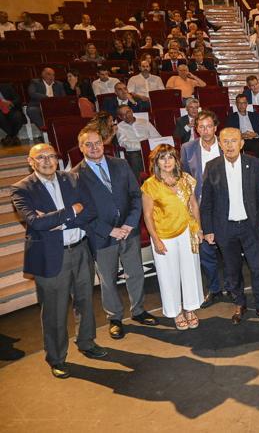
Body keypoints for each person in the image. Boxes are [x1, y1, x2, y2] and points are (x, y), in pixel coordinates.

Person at [11, 144, 107, 379]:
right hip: (51, 258)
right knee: (54, 311)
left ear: (57, 158)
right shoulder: (22, 189)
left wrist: (59, 222)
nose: (47, 161)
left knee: (85, 302)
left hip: (81, 250)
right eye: (40, 157)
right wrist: (71, 211)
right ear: (30, 161)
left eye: (51, 156)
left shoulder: (72, 178)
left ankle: (87, 342)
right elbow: (36, 223)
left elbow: (91, 211)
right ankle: (56, 358)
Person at [73, 127, 157, 340]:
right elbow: (80, 212)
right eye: (88, 144)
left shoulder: (120, 164)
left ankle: (138, 310)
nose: (94, 147)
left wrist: (129, 225)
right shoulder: (74, 175)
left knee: (135, 273)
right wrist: (110, 230)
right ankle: (115, 318)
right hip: (102, 236)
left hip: (129, 231)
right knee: (108, 279)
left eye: (97, 143)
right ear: (81, 148)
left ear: (104, 143)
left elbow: (136, 197)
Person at [200, 128, 259, 324]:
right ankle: (239, 303)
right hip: (225, 228)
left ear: (242, 143)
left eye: (234, 141)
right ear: (220, 144)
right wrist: (207, 229)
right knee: (232, 271)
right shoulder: (211, 166)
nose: (230, 145)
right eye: (226, 141)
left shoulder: (253, 163)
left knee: (258, 268)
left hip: (251, 226)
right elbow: (206, 202)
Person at [141, 144, 204, 330]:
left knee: (190, 271)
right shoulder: (149, 185)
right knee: (169, 275)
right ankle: (176, 311)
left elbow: (194, 205)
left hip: (187, 231)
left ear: (176, 160)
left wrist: (198, 228)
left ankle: (190, 308)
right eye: (163, 158)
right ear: (156, 162)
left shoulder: (185, 179)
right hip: (164, 235)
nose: (167, 161)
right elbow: (147, 216)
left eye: (170, 157)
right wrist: (156, 240)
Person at [179, 110, 227, 307]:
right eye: (201, 127)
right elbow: (184, 179)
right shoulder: (187, 148)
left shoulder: (226, 144)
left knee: (229, 250)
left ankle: (233, 287)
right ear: (196, 129)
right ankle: (214, 289)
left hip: (226, 205)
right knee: (206, 252)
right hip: (200, 207)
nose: (206, 130)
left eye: (209, 126)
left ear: (216, 128)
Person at [115, 105, 161, 176]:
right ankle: (138, 183)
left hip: (150, 148)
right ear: (120, 117)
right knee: (134, 158)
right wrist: (142, 146)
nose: (127, 116)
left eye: (128, 112)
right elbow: (124, 143)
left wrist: (149, 146)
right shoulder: (119, 127)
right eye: (123, 115)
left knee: (162, 154)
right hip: (134, 151)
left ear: (132, 111)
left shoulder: (144, 122)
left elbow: (156, 136)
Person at [225, 93, 259, 158]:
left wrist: (255, 134)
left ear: (247, 104)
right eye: (239, 103)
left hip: (254, 139)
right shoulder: (232, 117)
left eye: (244, 103)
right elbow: (228, 131)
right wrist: (241, 135)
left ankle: (258, 166)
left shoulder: (254, 115)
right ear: (236, 104)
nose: (241, 105)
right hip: (240, 140)